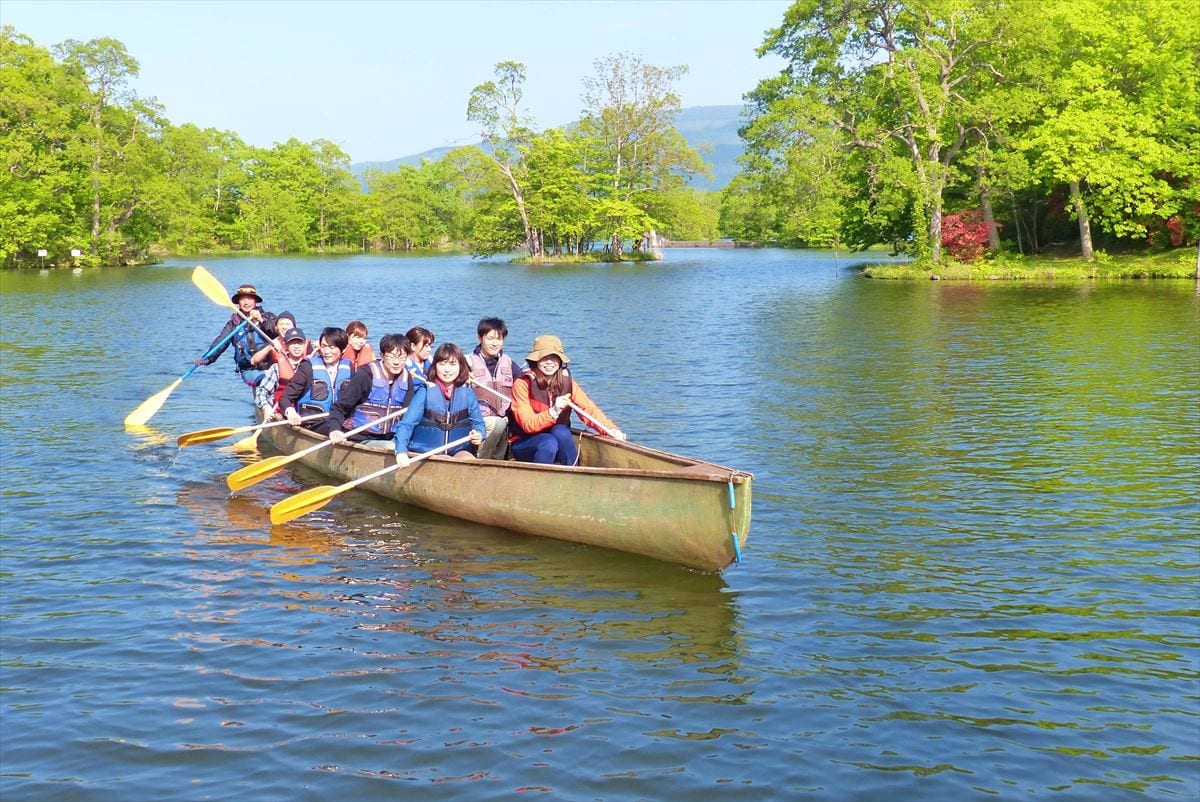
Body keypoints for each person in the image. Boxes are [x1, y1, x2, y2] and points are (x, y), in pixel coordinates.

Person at [508, 334, 625, 465]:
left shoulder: (567, 383)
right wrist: (554, 411)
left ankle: (573, 472)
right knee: (548, 443)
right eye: (544, 358)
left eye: (554, 358)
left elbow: (588, 409)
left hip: (555, 437)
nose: (549, 362)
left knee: (562, 432)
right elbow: (528, 424)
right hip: (525, 441)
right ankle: (539, 479)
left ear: (560, 361)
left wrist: (610, 429)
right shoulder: (522, 384)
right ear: (536, 360)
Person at [393, 343, 485, 460]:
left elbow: (479, 423)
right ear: (435, 366)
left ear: (460, 366)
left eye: (452, 364)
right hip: (426, 452)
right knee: (445, 460)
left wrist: (479, 434)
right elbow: (406, 424)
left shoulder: (467, 392)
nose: (447, 370)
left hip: (459, 451)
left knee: (469, 460)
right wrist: (401, 451)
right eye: (442, 364)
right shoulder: (425, 391)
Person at [327, 333, 420, 447]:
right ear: (382, 355)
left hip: (391, 437)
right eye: (391, 356)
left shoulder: (407, 378)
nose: (397, 362)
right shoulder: (366, 375)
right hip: (361, 437)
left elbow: (408, 415)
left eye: (402, 357)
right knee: (391, 447)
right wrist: (335, 429)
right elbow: (340, 407)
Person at [196, 283, 278, 386]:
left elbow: (277, 330)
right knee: (263, 381)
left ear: (255, 301)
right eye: (243, 299)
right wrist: (208, 359)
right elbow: (221, 342)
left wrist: (261, 320)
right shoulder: (233, 324)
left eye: (249, 298)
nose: (246, 302)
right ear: (238, 302)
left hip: (272, 367)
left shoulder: (268, 317)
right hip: (249, 370)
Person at [465, 317, 521, 460]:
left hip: (504, 420)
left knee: (503, 424)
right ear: (480, 338)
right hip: (478, 421)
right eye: (490, 338)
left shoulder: (509, 363)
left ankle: (498, 464)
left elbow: (523, 384)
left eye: (499, 339)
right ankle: (481, 459)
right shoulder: (467, 362)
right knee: (498, 424)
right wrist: (462, 378)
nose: (495, 343)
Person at [279, 327, 353, 435]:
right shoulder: (307, 367)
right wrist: (290, 411)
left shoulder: (349, 367)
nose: (327, 352)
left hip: (339, 421)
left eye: (332, 348)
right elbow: (285, 398)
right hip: (314, 423)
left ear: (344, 349)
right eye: (323, 346)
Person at [254, 328, 317, 414]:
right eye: (292, 343)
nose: (296, 346)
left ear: (304, 345)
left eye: (299, 343)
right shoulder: (276, 368)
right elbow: (261, 391)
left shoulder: (314, 366)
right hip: (284, 411)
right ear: (286, 346)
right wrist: (266, 407)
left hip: (308, 412)